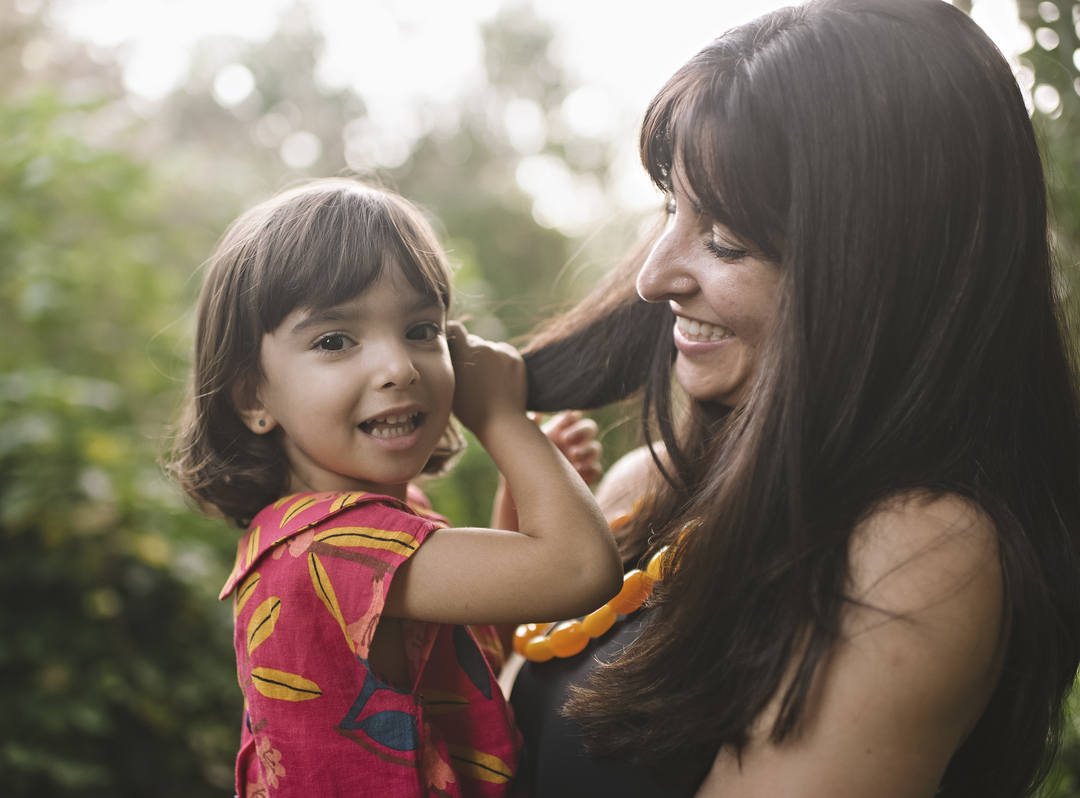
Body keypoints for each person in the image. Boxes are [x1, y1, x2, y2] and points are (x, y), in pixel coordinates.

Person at [509, 1, 1080, 797]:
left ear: (874, 272)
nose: (653, 276)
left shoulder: (919, 550)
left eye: (726, 241)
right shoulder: (648, 489)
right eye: (672, 207)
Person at [169, 178, 621, 797]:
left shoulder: (345, 527)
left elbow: (494, 626)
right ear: (253, 395)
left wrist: (524, 491)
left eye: (420, 330)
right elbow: (578, 572)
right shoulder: (338, 549)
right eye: (335, 340)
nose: (399, 367)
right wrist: (502, 419)